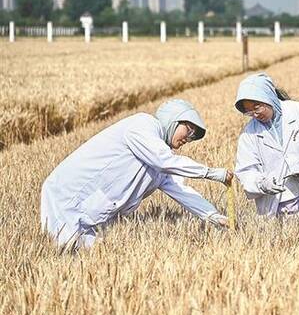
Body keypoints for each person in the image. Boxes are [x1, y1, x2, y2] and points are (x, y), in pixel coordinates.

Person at [40, 99, 232, 249]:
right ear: (174, 119)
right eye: (188, 130)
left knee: (90, 261)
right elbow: (164, 161)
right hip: (67, 198)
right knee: (61, 253)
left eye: (192, 136)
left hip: (93, 212)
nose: (188, 139)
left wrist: (213, 216)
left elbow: (181, 190)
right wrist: (211, 173)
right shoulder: (143, 125)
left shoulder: (159, 156)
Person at [234, 73, 299, 217]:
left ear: (268, 97)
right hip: (277, 207)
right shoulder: (249, 134)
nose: (255, 114)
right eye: (249, 111)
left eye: (257, 107)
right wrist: (262, 183)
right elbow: (246, 171)